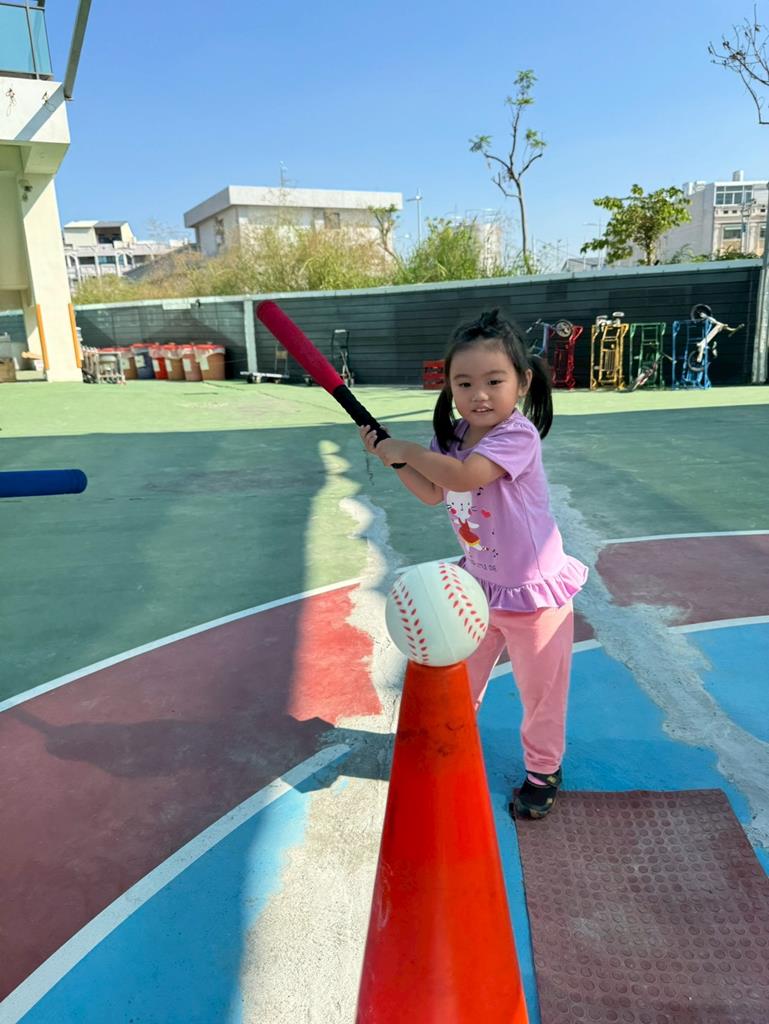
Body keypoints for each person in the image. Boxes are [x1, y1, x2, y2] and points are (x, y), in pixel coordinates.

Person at [360, 308, 588, 819]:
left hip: (534, 594)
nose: (478, 394)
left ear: (522, 382)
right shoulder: (451, 437)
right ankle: (449, 748)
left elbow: (464, 478)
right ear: (450, 386)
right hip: (476, 590)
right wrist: (392, 458)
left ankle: (543, 771)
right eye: (464, 383)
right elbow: (432, 492)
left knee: (541, 694)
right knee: (459, 684)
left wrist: (406, 448)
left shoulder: (517, 435)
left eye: (493, 381)